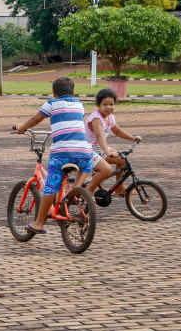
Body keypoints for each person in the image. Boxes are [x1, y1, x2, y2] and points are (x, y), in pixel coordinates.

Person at [15, 76, 112, 235]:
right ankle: (76, 190)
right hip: (83, 152)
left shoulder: (51, 104)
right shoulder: (79, 105)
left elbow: (35, 119)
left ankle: (39, 223)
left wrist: (21, 128)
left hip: (62, 154)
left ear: (54, 93)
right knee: (86, 164)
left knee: (51, 186)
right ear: (73, 92)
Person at [85, 88, 143, 195]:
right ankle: (89, 189)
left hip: (100, 148)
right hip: (88, 150)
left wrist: (132, 138)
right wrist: (107, 152)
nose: (108, 107)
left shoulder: (110, 117)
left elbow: (117, 130)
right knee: (107, 170)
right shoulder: (96, 118)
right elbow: (99, 136)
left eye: (111, 104)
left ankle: (119, 188)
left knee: (123, 160)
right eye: (105, 104)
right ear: (98, 105)